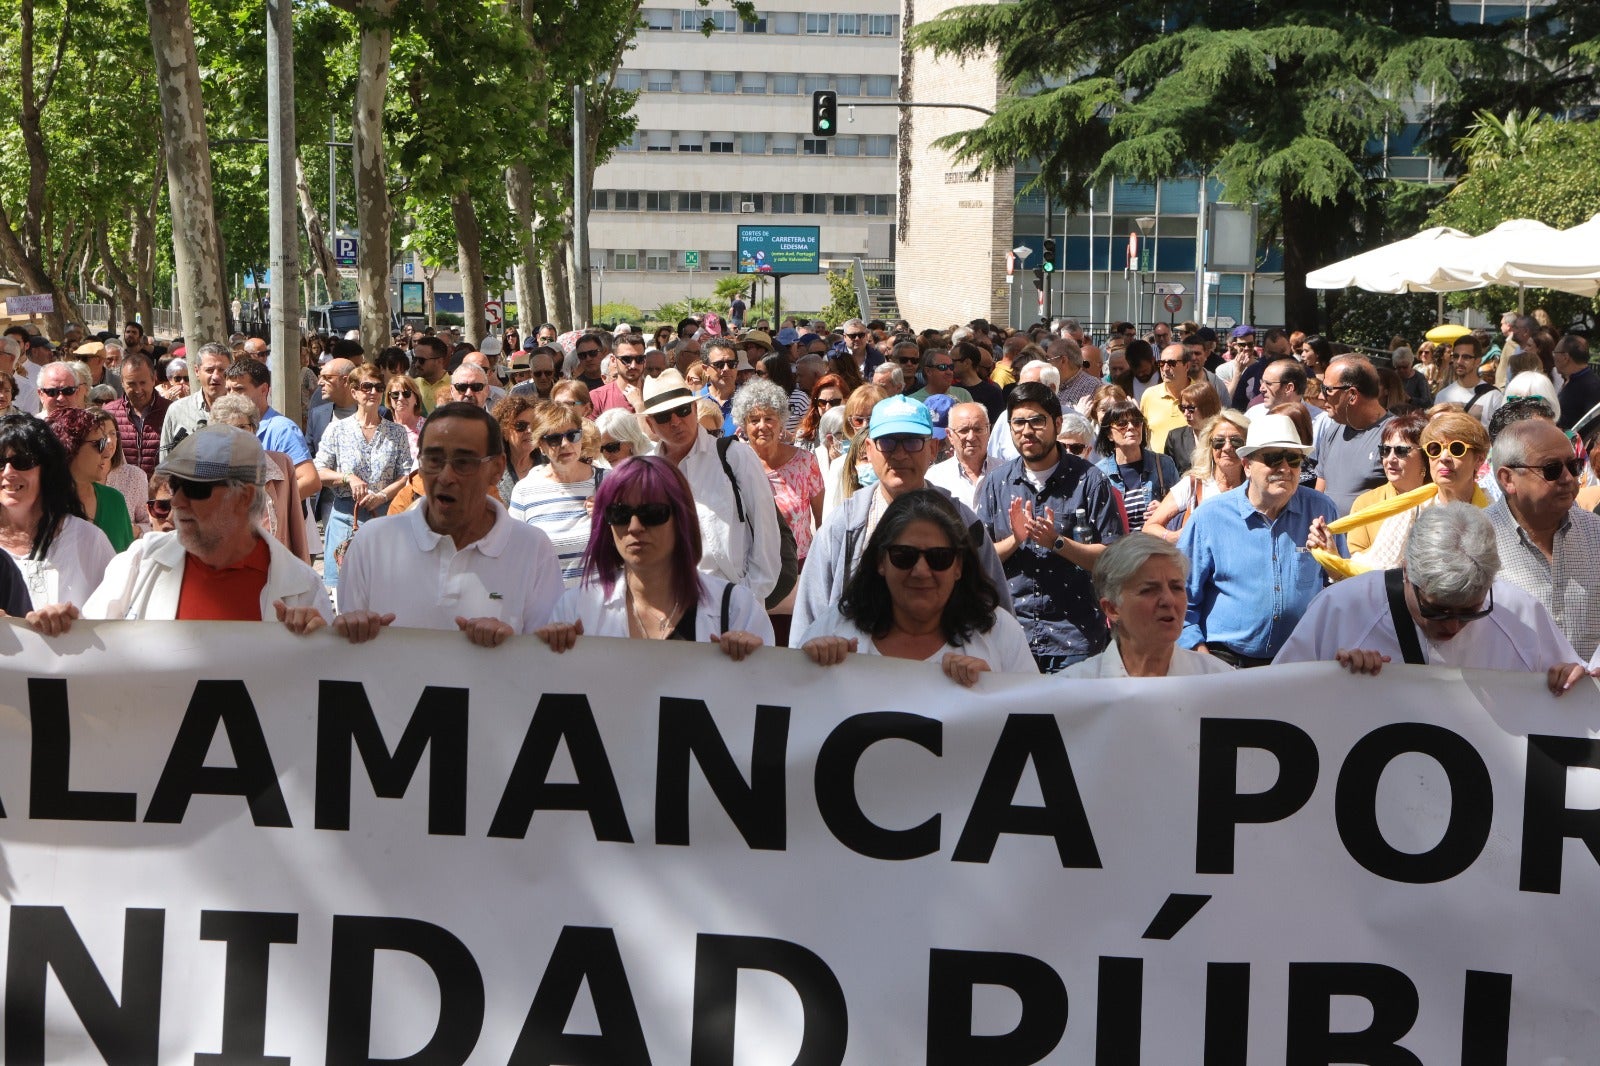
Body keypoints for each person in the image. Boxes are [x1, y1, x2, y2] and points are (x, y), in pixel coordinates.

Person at [1275, 504, 1586, 694]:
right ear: (1407, 572)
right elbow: (1275, 696)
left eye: (1471, 612)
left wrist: (1574, 678)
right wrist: (1332, 679)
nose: (1452, 626)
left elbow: (1576, 685)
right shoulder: (1341, 608)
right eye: (1436, 610)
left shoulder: (1520, 613)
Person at [50, 426, 329, 631]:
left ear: (243, 497)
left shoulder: (303, 588)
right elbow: (89, 648)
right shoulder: (140, 562)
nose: (177, 501)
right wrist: (57, 629)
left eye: (195, 489)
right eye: (175, 486)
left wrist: (320, 643)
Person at [333, 403, 565, 647]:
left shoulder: (532, 549)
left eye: (463, 463)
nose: (445, 477)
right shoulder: (373, 543)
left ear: (496, 468)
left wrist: (511, 647)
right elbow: (347, 655)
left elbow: (544, 659)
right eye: (433, 460)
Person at [794, 394, 1012, 645]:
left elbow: (997, 619)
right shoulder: (844, 525)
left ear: (932, 449)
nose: (899, 454)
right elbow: (808, 624)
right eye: (887, 442)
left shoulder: (963, 523)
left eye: (911, 442)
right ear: (869, 449)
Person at [534, 455, 771, 654]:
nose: (635, 527)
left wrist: (754, 665)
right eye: (620, 513)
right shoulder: (575, 608)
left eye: (652, 513)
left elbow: (767, 694)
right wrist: (552, 655)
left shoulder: (736, 609)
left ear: (682, 520)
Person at [800, 489, 1036, 684]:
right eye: (904, 556)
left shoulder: (1000, 634)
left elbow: (1036, 725)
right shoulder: (834, 628)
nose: (921, 571)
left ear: (959, 567)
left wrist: (995, 689)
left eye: (939, 557)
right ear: (881, 561)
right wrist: (809, 667)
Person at [975, 382, 1123, 672]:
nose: (1027, 431)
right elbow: (979, 560)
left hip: (1075, 637)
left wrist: (1058, 543)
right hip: (1012, 636)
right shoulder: (997, 482)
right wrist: (1015, 541)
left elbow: (1112, 559)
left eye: (1036, 421)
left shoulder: (1090, 481)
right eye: (1018, 422)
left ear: (1057, 423)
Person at [1178, 413, 1339, 667]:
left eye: (1294, 459)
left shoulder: (1321, 510)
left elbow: (1345, 591)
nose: (1285, 468)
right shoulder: (1210, 518)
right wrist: (1201, 658)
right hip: (1225, 663)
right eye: (1273, 458)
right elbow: (1180, 598)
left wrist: (1335, 564)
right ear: (1247, 465)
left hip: (1300, 663)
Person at [640, 369, 782, 603]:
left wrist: (745, 598)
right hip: (670, 601)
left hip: (732, 597)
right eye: (664, 416)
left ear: (695, 409)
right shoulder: (647, 469)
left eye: (683, 410)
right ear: (650, 424)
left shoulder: (735, 456)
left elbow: (766, 533)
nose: (676, 421)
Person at [1486, 418, 1600, 661]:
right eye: (1552, 469)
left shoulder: (1596, 533)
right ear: (1508, 479)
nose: (1569, 478)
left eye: (1575, 466)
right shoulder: (1472, 542)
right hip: (1508, 696)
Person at [1065, 533, 1235, 678]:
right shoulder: (1071, 691)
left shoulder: (1219, 682)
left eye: (1176, 587)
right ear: (1112, 608)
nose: (1168, 600)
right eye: (1149, 590)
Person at [0, 412, 114, 613]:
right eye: (1, 462)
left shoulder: (87, 540)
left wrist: (72, 624)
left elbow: (117, 621)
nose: (8, 472)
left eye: (22, 461)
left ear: (46, 470)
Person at [314, 363, 413, 592]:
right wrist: (349, 478)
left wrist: (382, 495)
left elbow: (406, 474)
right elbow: (319, 471)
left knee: (386, 591)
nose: (373, 392)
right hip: (346, 516)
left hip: (386, 517)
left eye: (379, 387)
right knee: (345, 592)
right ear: (354, 392)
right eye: (367, 386)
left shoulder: (396, 432)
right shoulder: (336, 430)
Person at [1302, 410, 1430, 575]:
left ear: (1425, 456)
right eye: (1385, 450)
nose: (1390, 458)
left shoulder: (1441, 500)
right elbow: (1356, 566)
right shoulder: (1366, 503)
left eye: (1401, 451)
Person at [508, 400, 604, 587]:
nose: (565, 444)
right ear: (540, 445)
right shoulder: (525, 490)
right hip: (550, 609)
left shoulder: (609, 483)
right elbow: (515, 555)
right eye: (554, 439)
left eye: (572, 435)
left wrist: (609, 516)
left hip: (601, 605)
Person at [737, 380, 823, 568]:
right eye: (754, 420)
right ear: (744, 425)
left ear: (781, 421)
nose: (762, 426)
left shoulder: (805, 462)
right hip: (752, 567)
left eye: (769, 418)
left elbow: (821, 519)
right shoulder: (736, 465)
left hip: (799, 564)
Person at [1142, 410, 1248, 541]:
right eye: (1219, 441)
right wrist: (1175, 537)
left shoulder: (1255, 487)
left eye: (1236, 441)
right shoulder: (1194, 484)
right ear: (1210, 446)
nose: (1227, 447)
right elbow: (1149, 527)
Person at [1311, 355, 1392, 515]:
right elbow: (1319, 493)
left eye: (1327, 389)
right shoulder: (1332, 430)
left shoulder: (1394, 435)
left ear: (1352, 395)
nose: (1321, 396)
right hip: (1329, 538)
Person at [48, 408, 134, 553]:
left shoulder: (114, 500)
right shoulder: (38, 505)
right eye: (99, 444)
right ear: (70, 446)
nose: (106, 453)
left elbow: (128, 565)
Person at [1094, 400, 1178, 532]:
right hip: (1121, 549)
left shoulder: (1164, 464)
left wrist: (1164, 510)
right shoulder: (1099, 473)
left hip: (1157, 545)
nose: (1131, 427)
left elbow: (1183, 509)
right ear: (1109, 434)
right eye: (1122, 424)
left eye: (1136, 422)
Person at [159, 343, 231, 459]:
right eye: (210, 370)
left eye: (222, 370)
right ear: (197, 371)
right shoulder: (177, 410)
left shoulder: (242, 411)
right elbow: (165, 459)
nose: (216, 376)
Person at [104, 353, 169, 480]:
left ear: (153, 379)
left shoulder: (170, 411)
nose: (138, 390)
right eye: (132, 384)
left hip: (159, 495)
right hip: (120, 494)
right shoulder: (109, 413)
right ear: (122, 382)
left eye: (143, 383)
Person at [925, 402, 992, 509]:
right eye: (964, 430)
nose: (971, 437)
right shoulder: (934, 478)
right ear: (949, 435)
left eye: (978, 429)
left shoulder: (1007, 474)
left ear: (988, 431)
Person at [1435, 333, 1504, 429]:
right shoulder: (1442, 396)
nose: (1459, 361)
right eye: (1455, 356)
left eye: (1466, 357)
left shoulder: (1493, 396)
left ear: (1477, 361)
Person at [1161, 379, 1222, 472]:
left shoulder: (1224, 435)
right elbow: (1169, 474)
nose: (1185, 413)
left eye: (1191, 408)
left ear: (1207, 407)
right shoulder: (1175, 438)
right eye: (1182, 408)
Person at [493, 394, 542, 502]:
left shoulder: (550, 464)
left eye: (535, 425)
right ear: (504, 432)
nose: (529, 431)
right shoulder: (493, 471)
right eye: (520, 426)